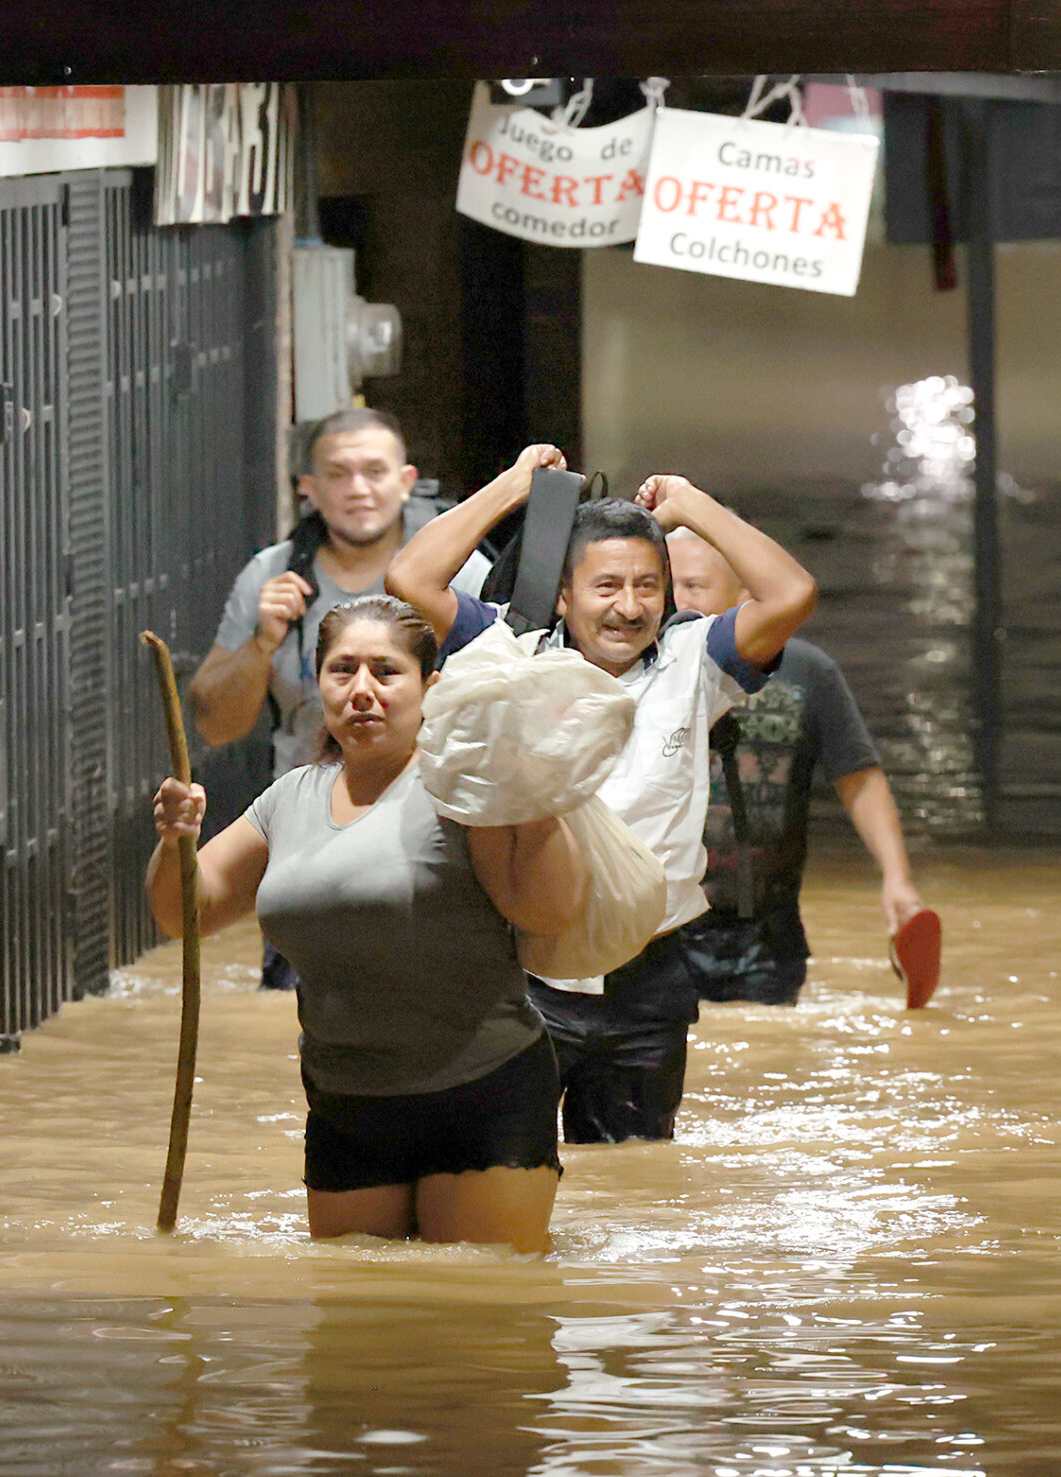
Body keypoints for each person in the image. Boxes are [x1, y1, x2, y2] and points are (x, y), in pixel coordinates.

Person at [388, 446, 818, 1145]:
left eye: (648, 587)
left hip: (647, 978)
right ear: (562, 593)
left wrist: (692, 506)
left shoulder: (697, 660)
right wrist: (512, 486)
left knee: (635, 1185)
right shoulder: (507, 648)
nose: (629, 607)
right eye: (606, 586)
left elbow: (792, 593)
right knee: (507, 1169)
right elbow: (410, 577)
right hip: (521, 971)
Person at [147, 595, 588, 1252]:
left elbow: (549, 910)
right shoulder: (288, 799)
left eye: (385, 672)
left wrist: (533, 799)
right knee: (355, 1326)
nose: (362, 691)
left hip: (481, 1092)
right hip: (346, 1102)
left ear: (429, 686)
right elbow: (188, 912)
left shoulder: (466, 787)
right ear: (317, 683)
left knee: (480, 1318)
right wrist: (173, 838)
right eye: (342, 670)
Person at [188, 409, 490, 989]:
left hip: (435, 845)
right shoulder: (271, 576)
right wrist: (262, 642)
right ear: (308, 489)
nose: (358, 490)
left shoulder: (460, 572)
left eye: (374, 471)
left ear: (405, 480)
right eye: (339, 473)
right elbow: (215, 725)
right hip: (308, 848)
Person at [667, 528, 926, 1005]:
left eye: (694, 586)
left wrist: (896, 878)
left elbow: (859, 778)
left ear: (743, 593)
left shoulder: (808, 672)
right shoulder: (640, 672)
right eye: (666, 584)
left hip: (767, 937)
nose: (676, 600)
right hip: (659, 931)